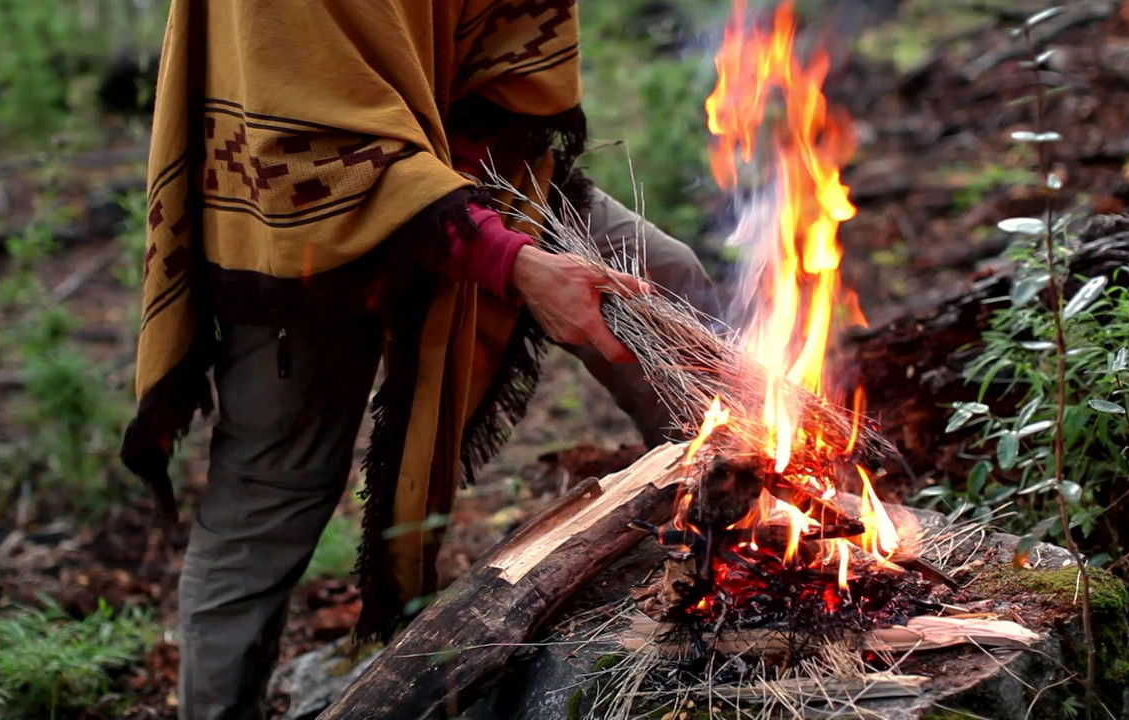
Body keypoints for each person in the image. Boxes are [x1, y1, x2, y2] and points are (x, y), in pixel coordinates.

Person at [119, 2, 719, 718]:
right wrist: (508, 258)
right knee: (273, 490)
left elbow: (505, 40)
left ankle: (753, 542)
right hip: (297, 221)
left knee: (665, 282)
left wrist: (470, 181)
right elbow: (304, 140)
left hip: (466, 168)